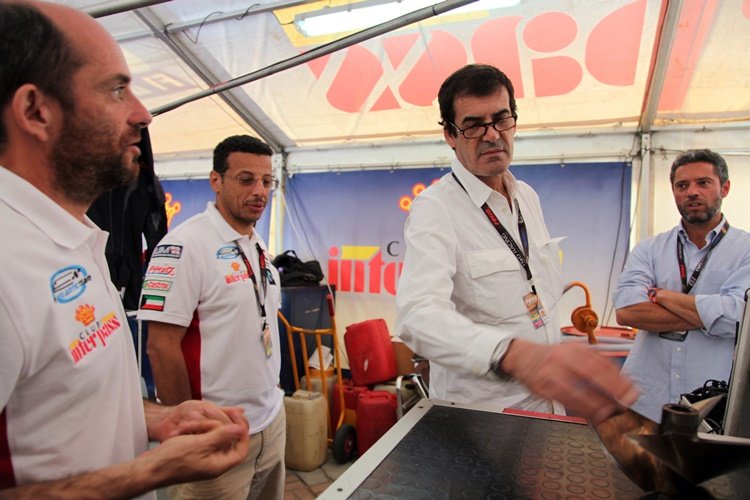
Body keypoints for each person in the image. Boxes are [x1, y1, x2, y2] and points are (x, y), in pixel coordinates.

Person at [0, 1, 249, 498]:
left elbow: (64, 401)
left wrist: (157, 418)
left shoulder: (75, 235)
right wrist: (148, 472)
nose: (143, 114)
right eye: (116, 90)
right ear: (35, 111)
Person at [395, 64, 637, 424]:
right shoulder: (436, 208)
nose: (492, 134)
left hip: (546, 409)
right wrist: (514, 355)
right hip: (482, 420)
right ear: (450, 134)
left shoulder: (526, 196)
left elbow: (531, 291)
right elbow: (417, 317)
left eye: (501, 119)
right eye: (474, 125)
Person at [138, 135, 285, 499]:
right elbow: (160, 347)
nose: (259, 191)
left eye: (267, 181)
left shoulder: (256, 244)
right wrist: (191, 432)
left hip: (270, 420)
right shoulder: (183, 245)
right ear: (216, 181)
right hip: (214, 432)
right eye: (246, 179)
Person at [613, 149, 750, 422]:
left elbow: (739, 319)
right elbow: (627, 312)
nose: (692, 192)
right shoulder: (650, 248)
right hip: (644, 398)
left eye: (703, 183)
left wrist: (664, 297)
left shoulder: (745, 249)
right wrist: (711, 314)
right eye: (682, 185)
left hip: (713, 400)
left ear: (724, 188)